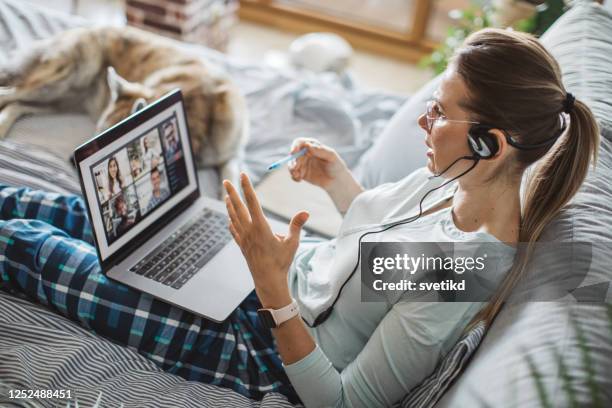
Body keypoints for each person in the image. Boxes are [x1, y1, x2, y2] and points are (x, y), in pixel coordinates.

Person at [0, 28, 600, 406]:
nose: (425, 122)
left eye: (439, 113)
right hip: (268, 285)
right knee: (62, 209)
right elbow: (378, 267)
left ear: (489, 143)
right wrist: (342, 184)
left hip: (260, 352)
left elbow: (338, 400)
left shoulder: (459, 275)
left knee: (27, 243)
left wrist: (272, 290)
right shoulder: (459, 186)